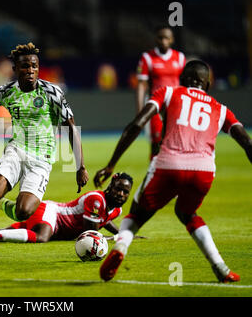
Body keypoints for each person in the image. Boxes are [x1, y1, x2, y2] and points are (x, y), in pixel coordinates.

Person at [94, 60, 252, 283]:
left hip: (169, 164)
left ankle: (121, 247)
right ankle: (221, 267)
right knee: (187, 214)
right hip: (203, 171)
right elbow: (247, 143)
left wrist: (111, 164)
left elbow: (137, 124)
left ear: (182, 79)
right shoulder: (221, 109)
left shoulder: (168, 92)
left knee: (136, 216)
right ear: (207, 84)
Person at [0, 42, 89, 261]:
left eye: (34, 66)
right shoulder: (5, 91)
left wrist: (80, 166)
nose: (30, 71)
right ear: (15, 69)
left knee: (23, 212)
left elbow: (71, 128)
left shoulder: (52, 92)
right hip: (16, 151)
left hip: (42, 159)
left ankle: (0, 204)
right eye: (24, 66)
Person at [0, 173, 146, 244]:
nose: (121, 195)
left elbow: (105, 221)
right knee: (42, 237)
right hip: (51, 214)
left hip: (55, 226)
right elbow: (89, 231)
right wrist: (113, 239)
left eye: (125, 192)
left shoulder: (114, 209)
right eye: (118, 189)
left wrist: (124, 233)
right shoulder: (96, 199)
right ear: (110, 187)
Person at [136, 26, 185, 159]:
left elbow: (185, 84)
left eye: (166, 38)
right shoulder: (148, 58)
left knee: (177, 141)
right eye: (160, 38)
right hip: (157, 106)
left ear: (172, 40)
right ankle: (154, 171)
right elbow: (141, 85)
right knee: (157, 141)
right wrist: (140, 110)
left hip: (176, 106)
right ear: (156, 39)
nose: (163, 41)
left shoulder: (179, 58)